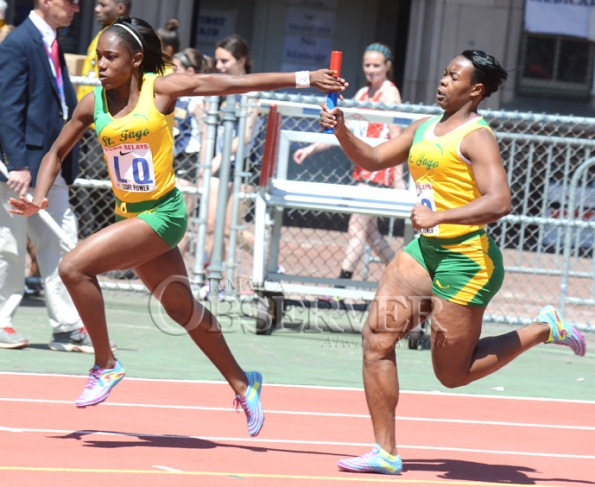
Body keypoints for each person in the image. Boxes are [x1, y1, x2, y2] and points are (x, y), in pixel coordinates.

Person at [9, 16, 345, 434]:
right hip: (130, 216)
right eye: (98, 57)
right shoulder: (90, 104)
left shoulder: (161, 89)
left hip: (163, 214)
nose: (100, 65)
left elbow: (231, 85)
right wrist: (40, 195)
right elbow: (55, 153)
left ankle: (105, 364)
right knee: (182, 309)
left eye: (110, 57)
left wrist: (304, 77)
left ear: (135, 60)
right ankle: (244, 384)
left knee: (74, 267)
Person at [318, 49, 587, 475]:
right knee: (376, 342)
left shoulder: (476, 137)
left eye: (452, 76)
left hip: (466, 262)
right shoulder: (425, 127)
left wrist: (439, 216)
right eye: (443, 73)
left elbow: (500, 201)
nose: (442, 81)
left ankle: (543, 328)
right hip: (425, 253)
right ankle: (385, 452)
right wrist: (342, 131)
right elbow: (372, 158)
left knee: (452, 374)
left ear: (475, 89)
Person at [0, 0, 96, 353]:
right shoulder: (18, 43)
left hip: (49, 165)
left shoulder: (51, 41)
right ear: (44, 1)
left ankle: (67, 325)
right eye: (70, 2)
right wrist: (17, 163)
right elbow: (7, 107)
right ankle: (1, 320)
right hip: (24, 168)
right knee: (9, 244)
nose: (76, 9)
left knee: (60, 242)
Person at [293, 43, 405, 288]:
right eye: (368, 65)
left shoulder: (389, 93)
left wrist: (399, 179)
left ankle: (340, 286)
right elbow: (342, 129)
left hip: (379, 170)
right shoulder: (364, 94)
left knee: (357, 226)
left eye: (377, 65)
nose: (372, 70)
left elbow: (398, 136)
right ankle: (405, 275)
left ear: (387, 66)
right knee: (371, 234)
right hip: (362, 167)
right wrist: (311, 148)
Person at [172, 48, 213, 265]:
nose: (169, 72)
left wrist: (204, 167)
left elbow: (206, 135)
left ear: (189, 71)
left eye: (175, 68)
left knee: (180, 219)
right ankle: (201, 262)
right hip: (172, 158)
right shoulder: (174, 94)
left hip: (190, 159)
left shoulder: (197, 99)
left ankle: (172, 271)